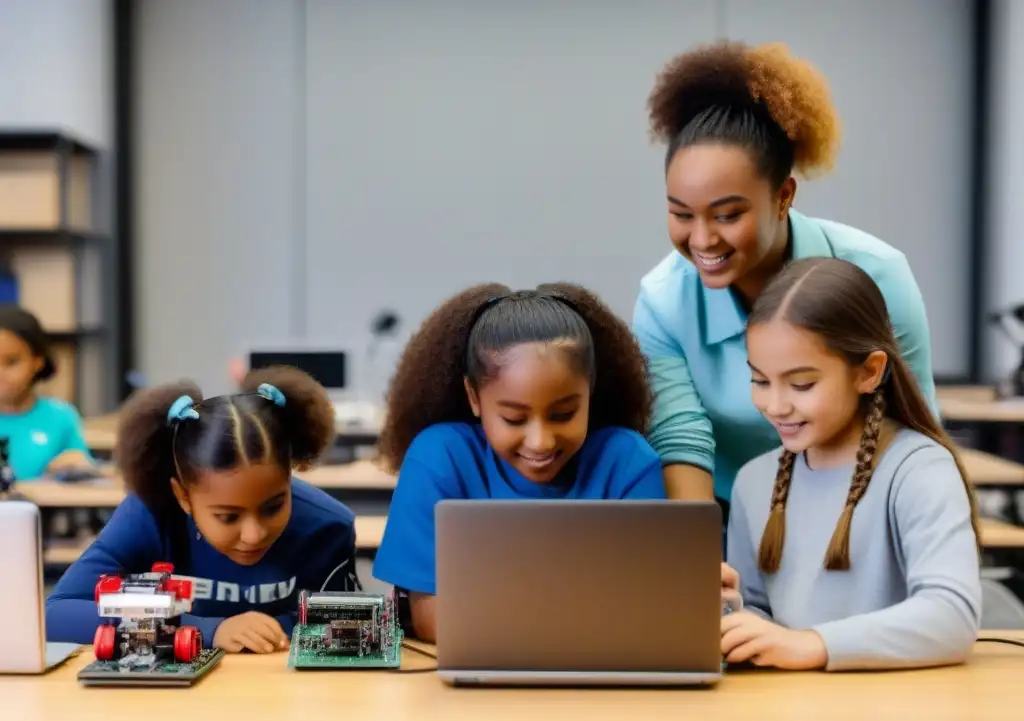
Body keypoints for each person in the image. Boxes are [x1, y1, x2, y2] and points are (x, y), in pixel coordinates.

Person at [632, 40, 937, 514]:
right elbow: (681, 439)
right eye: (681, 214)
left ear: (783, 196)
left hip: (857, 511)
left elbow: (909, 428)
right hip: (729, 517)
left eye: (728, 215)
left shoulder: (879, 276)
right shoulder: (662, 301)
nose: (703, 239)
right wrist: (700, 557)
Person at [722, 257, 981, 672]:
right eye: (759, 380)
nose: (775, 405)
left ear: (869, 372)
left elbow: (952, 617)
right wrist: (733, 616)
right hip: (785, 717)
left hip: (896, 720)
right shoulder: (753, 481)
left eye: (802, 384)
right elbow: (759, 616)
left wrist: (813, 644)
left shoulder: (919, 470)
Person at [372, 283, 666, 641]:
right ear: (474, 397)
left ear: (591, 389)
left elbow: (648, 609)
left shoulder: (628, 463)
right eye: (514, 419)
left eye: (564, 414)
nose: (540, 441)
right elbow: (432, 618)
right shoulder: (438, 458)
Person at [45, 366, 360, 653]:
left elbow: (351, 629)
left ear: (289, 477)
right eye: (228, 516)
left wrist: (280, 629)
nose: (254, 534)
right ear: (182, 496)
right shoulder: (149, 516)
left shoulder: (327, 526)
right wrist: (205, 629)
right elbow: (57, 615)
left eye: (273, 506)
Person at [0, 305, 93, 480]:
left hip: (43, 506)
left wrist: (73, 465)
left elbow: (82, 468)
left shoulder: (60, 416)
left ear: (37, 361)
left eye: (11, 362)